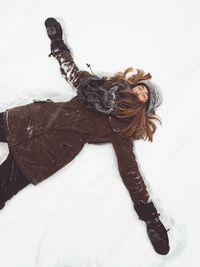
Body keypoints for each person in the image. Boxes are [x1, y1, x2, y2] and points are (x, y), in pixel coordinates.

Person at [0, 17, 169, 255]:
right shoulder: (100, 86)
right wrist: (58, 45)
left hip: (43, 154)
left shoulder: (121, 127)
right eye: (141, 87)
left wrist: (150, 216)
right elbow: (73, 75)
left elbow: (130, 172)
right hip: (30, 120)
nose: (141, 91)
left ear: (144, 107)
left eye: (145, 96)